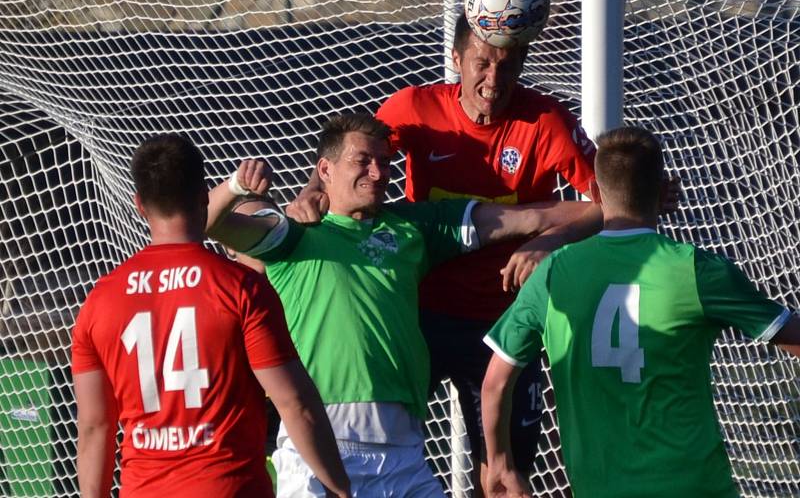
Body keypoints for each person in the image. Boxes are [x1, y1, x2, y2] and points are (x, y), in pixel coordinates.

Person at [288, 12, 603, 493]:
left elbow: (611, 203)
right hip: (422, 318)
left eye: (508, 66)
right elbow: (355, 148)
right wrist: (312, 190)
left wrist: (550, 241)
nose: (492, 80)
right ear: (456, 60)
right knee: (387, 441)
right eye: (481, 63)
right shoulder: (414, 109)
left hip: (506, 322)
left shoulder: (547, 120)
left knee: (506, 475)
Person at [205, 113, 595, 497]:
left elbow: (538, 216)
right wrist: (237, 185)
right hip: (319, 447)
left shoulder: (415, 226)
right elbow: (207, 223)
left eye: (384, 162)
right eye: (362, 161)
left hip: (404, 451)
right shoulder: (293, 234)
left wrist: (567, 232)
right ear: (325, 169)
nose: (378, 173)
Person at [481, 126, 800, 498]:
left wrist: (501, 462)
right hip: (694, 488)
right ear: (664, 191)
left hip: (599, 488)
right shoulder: (697, 270)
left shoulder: (553, 273)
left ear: (596, 194)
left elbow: (495, 384)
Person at [71, 134, 350, 498]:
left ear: (140, 205)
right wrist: (340, 487)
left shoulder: (99, 301)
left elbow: (95, 426)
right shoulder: (239, 287)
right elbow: (293, 402)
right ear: (204, 195)